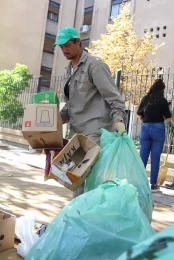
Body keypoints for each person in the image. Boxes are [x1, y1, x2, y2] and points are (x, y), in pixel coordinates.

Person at [54, 27, 127, 198]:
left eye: (67, 45)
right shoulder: (70, 69)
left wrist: (119, 120)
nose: (64, 50)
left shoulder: (95, 66)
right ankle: (79, 217)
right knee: (73, 180)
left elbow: (114, 98)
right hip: (77, 134)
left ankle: (85, 217)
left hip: (94, 132)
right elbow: (71, 105)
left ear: (78, 42)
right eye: (61, 47)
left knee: (83, 180)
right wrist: (55, 120)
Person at [137, 79, 171, 192]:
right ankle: (153, 184)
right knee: (155, 157)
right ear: (162, 90)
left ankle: (139, 182)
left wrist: (146, 120)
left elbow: (138, 114)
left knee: (142, 156)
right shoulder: (163, 101)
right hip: (158, 128)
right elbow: (168, 117)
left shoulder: (146, 99)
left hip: (145, 128)